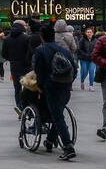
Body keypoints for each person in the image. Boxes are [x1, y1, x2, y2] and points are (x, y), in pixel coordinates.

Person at [31, 22, 77, 160]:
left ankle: (68, 146)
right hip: (66, 87)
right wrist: (70, 82)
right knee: (58, 114)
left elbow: (38, 71)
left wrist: (40, 86)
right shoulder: (65, 50)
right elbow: (74, 68)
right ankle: (50, 141)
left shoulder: (41, 50)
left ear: (42, 37)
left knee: (57, 117)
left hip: (51, 87)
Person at [2, 20, 31, 113]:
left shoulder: (7, 39)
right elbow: (29, 52)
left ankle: (19, 107)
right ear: (21, 26)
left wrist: (11, 59)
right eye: (25, 25)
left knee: (17, 88)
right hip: (26, 66)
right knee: (27, 88)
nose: (26, 26)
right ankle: (27, 107)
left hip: (14, 66)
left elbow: (4, 54)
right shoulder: (26, 38)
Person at [77, 26, 97, 91]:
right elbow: (79, 49)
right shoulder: (82, 40)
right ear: (86, 33)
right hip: (84, 59)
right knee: (84, 72)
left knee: (91, 71)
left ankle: (91, 86)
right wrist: (85, 55)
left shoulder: (95, 40)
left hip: (92, 59)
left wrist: (93, 55)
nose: (89, 33)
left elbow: (97, 49)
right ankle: (82, 81)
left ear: (92, 33)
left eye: (90, 32)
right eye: (88, 32)